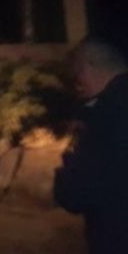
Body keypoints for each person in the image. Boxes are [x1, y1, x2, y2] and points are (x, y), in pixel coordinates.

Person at [54, 36, 128, 253]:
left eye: (75, 76)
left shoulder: (103, 114)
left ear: (86, 69)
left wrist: (67, 161)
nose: (77, 86)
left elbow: (75, 194)